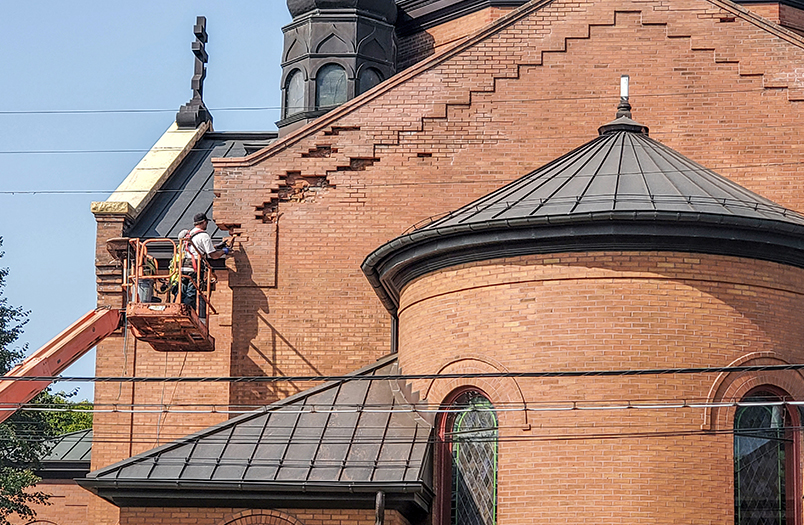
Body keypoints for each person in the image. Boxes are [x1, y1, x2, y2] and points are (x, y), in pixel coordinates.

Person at [181, 213, 230, 318]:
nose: (207, 224)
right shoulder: (204, 235)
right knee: (192, 292)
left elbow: (198, 248)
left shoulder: (189, 234)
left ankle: (179, 308)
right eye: (206, 222)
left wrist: (216, 246)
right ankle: (187, 314)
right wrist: (224, 251)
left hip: (183, 266)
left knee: (182, 290)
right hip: (194, 267)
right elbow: (214, 256)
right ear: (203, 222)